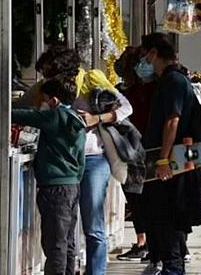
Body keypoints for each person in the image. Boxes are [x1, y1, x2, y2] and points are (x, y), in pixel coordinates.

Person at [35, 46, 133, 275]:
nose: (45, 78)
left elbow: (126, 107)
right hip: (64, 165)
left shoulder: (91, 80)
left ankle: (96, 271)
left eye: (49, 72)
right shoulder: (49, 90)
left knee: (92, 224)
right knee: (65, 226)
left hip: (93, 160)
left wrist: (96, 118)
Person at [139, 33, 201, 275]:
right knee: (163, 219)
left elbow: (173, 121)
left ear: (154, 53)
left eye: (144, 54)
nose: (143, 61)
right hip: (172, 161)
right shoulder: (167, 81)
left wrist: (162, 160)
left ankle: (173, 268)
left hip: (173, 164)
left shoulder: (174, 81)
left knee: (167, 218)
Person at [13, 79, 87, 275]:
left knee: (54, 244)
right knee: (67, 242)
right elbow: (81, 159)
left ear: (53, 100)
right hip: (72, 186)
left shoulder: (54, 117)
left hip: (54, 189)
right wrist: (74, 178)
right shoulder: (77, 119)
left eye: (43, 100)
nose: (41, 104)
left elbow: (22, 115)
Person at [114, 47, 156, 262]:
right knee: (138, 197)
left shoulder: (136, 91)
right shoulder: (128, 91)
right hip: (137, 149)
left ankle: (144, 242)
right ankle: (146, 241)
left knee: (138, 196)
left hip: (136, 150)